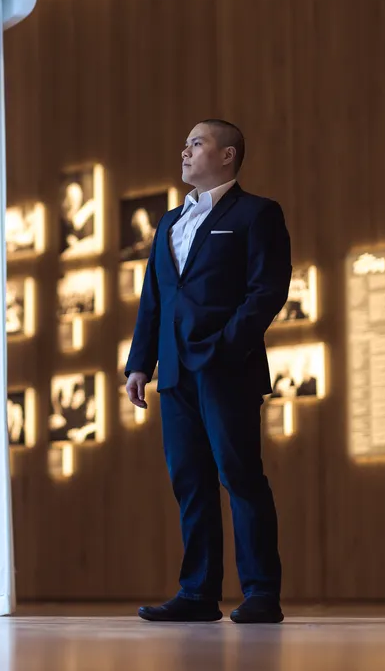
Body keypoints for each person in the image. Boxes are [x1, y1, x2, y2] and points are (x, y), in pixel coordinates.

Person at [123, 119, 292, 625]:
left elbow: (267, 291)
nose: (185, 150)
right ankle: (197, 595)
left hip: (227, 370)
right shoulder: (168, 222)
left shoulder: (257, 214)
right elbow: (153, 300)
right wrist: (139, 365)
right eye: (185, 143)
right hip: (174, 376)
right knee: (189, 483)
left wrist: (224, 347)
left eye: (197, 143)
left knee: (240, 477)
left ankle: (262, 593)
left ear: (227, 156)